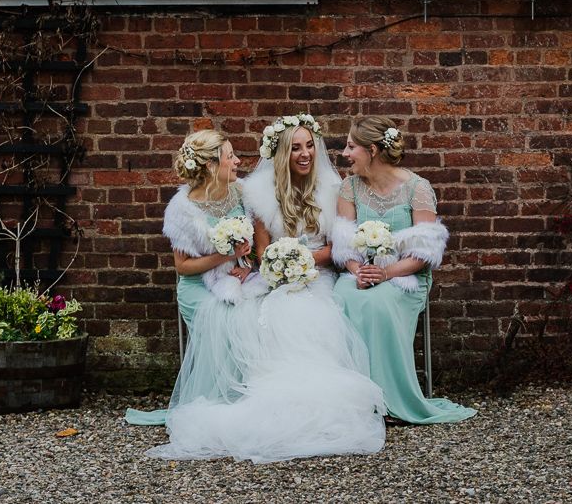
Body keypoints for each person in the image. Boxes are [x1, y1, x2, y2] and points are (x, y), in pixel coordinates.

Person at [147, 114, 386, 463]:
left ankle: (317, 397)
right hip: (274, 275)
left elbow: (335, 248)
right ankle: (269, 399)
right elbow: (261, 253)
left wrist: (303, 261)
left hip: (317, 274)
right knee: (273, 313)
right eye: (296, 148)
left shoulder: (333, 189)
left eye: (309, 146)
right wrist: (279, 264)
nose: (305, 154)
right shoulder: (258, 194)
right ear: (282, 153)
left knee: (313, 312)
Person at [332, 115, 476, 424]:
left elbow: (424, 253)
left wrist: (385, 274)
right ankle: (351, 401)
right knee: (340, 299)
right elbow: (344, 246)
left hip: (405, 278)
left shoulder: (417, 188)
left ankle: (389, 400)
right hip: (359, 274)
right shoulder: (349, 187)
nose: (345, 154)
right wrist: (359, 271)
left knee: (379, 304)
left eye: (351, 146)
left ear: (372, 151)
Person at [125, 130, 267, 426]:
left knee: (266, 310)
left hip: (236, 278)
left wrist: (246, 263)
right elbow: (183, 267)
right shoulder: (182, 209)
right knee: (224, 317)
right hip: (197, 287)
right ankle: (222, 403)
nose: (238, 161)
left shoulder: (242, 193)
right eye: (231, 157)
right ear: (212, 166)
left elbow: (252, 246)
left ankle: (256, 397)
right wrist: (226, 257)